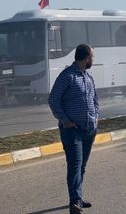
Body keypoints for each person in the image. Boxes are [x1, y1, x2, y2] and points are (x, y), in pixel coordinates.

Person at [48, 44, 99, 214]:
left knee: (82, 165)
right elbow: (53, 100)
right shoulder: (67, 76)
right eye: (92, 56)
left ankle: (78, 196)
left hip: (89, 130)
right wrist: (64, 120)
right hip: (72, 131)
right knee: (75, 165)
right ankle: (75, 202)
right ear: (87, 58)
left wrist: (96, 117)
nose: (93, 59)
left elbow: (95, 100)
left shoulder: (88, 77)